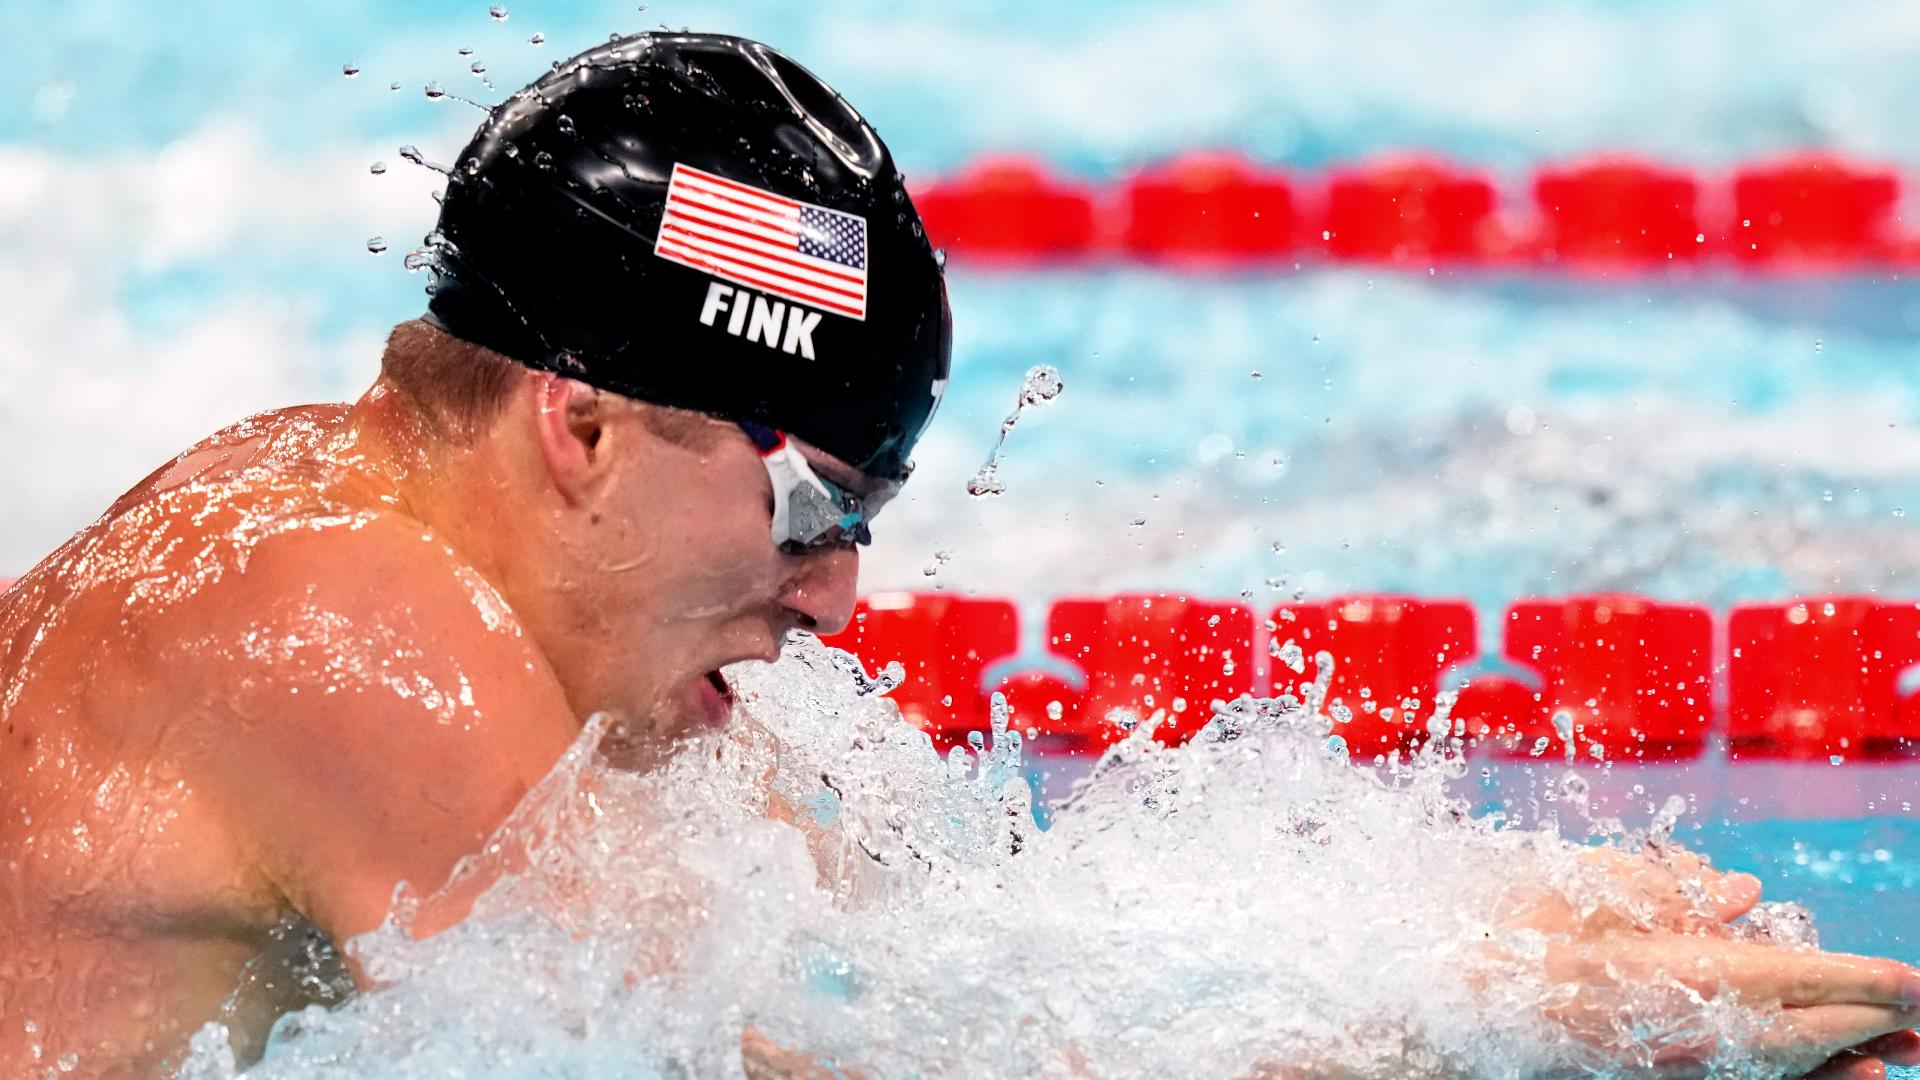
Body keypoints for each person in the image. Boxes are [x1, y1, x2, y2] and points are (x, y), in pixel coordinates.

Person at [0, 30, 1913, 1080]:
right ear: (579, 424)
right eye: (815, 506)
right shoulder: (339, 633)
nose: (836, 602)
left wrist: (1623, 965)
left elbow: (958, 966)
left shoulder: (417, 542)